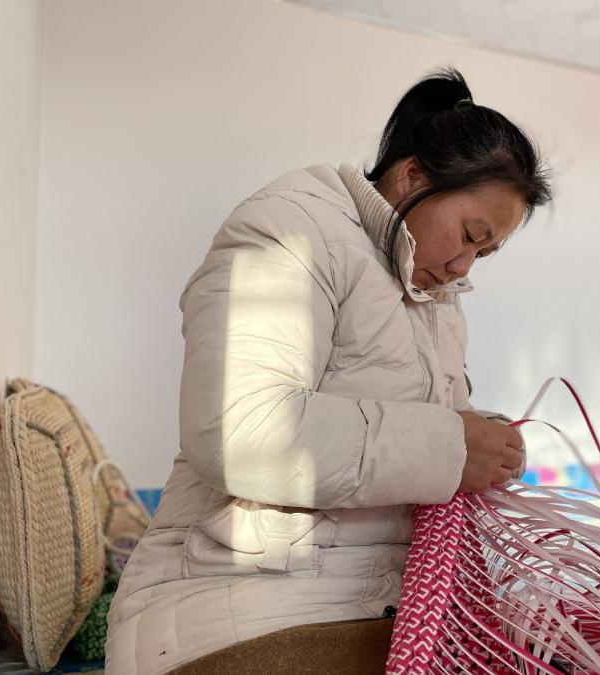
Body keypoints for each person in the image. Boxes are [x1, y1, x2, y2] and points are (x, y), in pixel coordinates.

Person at [105, 67, 551, 674]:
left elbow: (417, 428)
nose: (463, 267)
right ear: (413, 177)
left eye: (484, 252)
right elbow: (240, 431)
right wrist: (451, 448)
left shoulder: (437, 299)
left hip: (374, 606)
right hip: (242, 608)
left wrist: (484, 442)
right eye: (469, 235)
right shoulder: (289, 230)